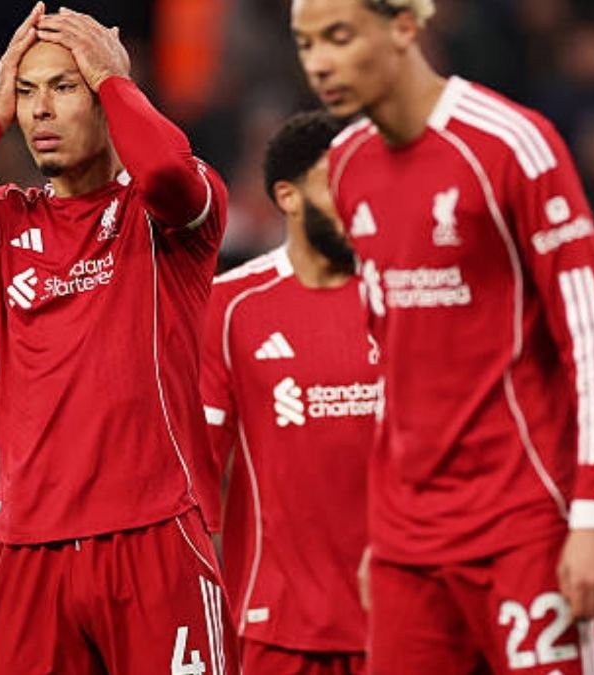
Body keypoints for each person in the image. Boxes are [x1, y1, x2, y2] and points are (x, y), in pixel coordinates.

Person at [0, 5, 238, 673]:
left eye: (64, 87)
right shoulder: (7, 218)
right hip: (30, 545)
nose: (39, 109)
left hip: (151, 528)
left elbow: (164, 174)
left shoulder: (162, 212)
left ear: (104, 97)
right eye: (27, 90)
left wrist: (115, 79)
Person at [290, 1, 594, 673]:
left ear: (404, 26)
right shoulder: (348, 167)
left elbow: (592, 329)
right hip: (407, 541)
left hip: (523, 521)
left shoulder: (509, 143)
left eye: (339, 37)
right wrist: (380, 530)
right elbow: (392, 357)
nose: (320, 64)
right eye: (306, 44)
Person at [200, 110, 377, 674]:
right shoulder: (230, 306)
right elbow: (197, 472)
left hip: (400, 616)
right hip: (277, 622)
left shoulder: (401, 295)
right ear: (288, 196)